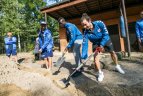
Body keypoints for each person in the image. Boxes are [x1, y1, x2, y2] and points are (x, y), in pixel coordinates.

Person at [80, 13, 125, 82]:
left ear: (89, 21)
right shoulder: (86, 32)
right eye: (83, 26)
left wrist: (101, 45)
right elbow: (84, 43)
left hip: (105, 39)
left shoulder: (99, 23)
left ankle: (117, 66)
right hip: (96, 43)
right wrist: (84, 55)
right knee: (95, 59)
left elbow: (106, 34)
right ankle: (100, 73)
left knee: (112, 52)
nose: (84, 27)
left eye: (85, 24)